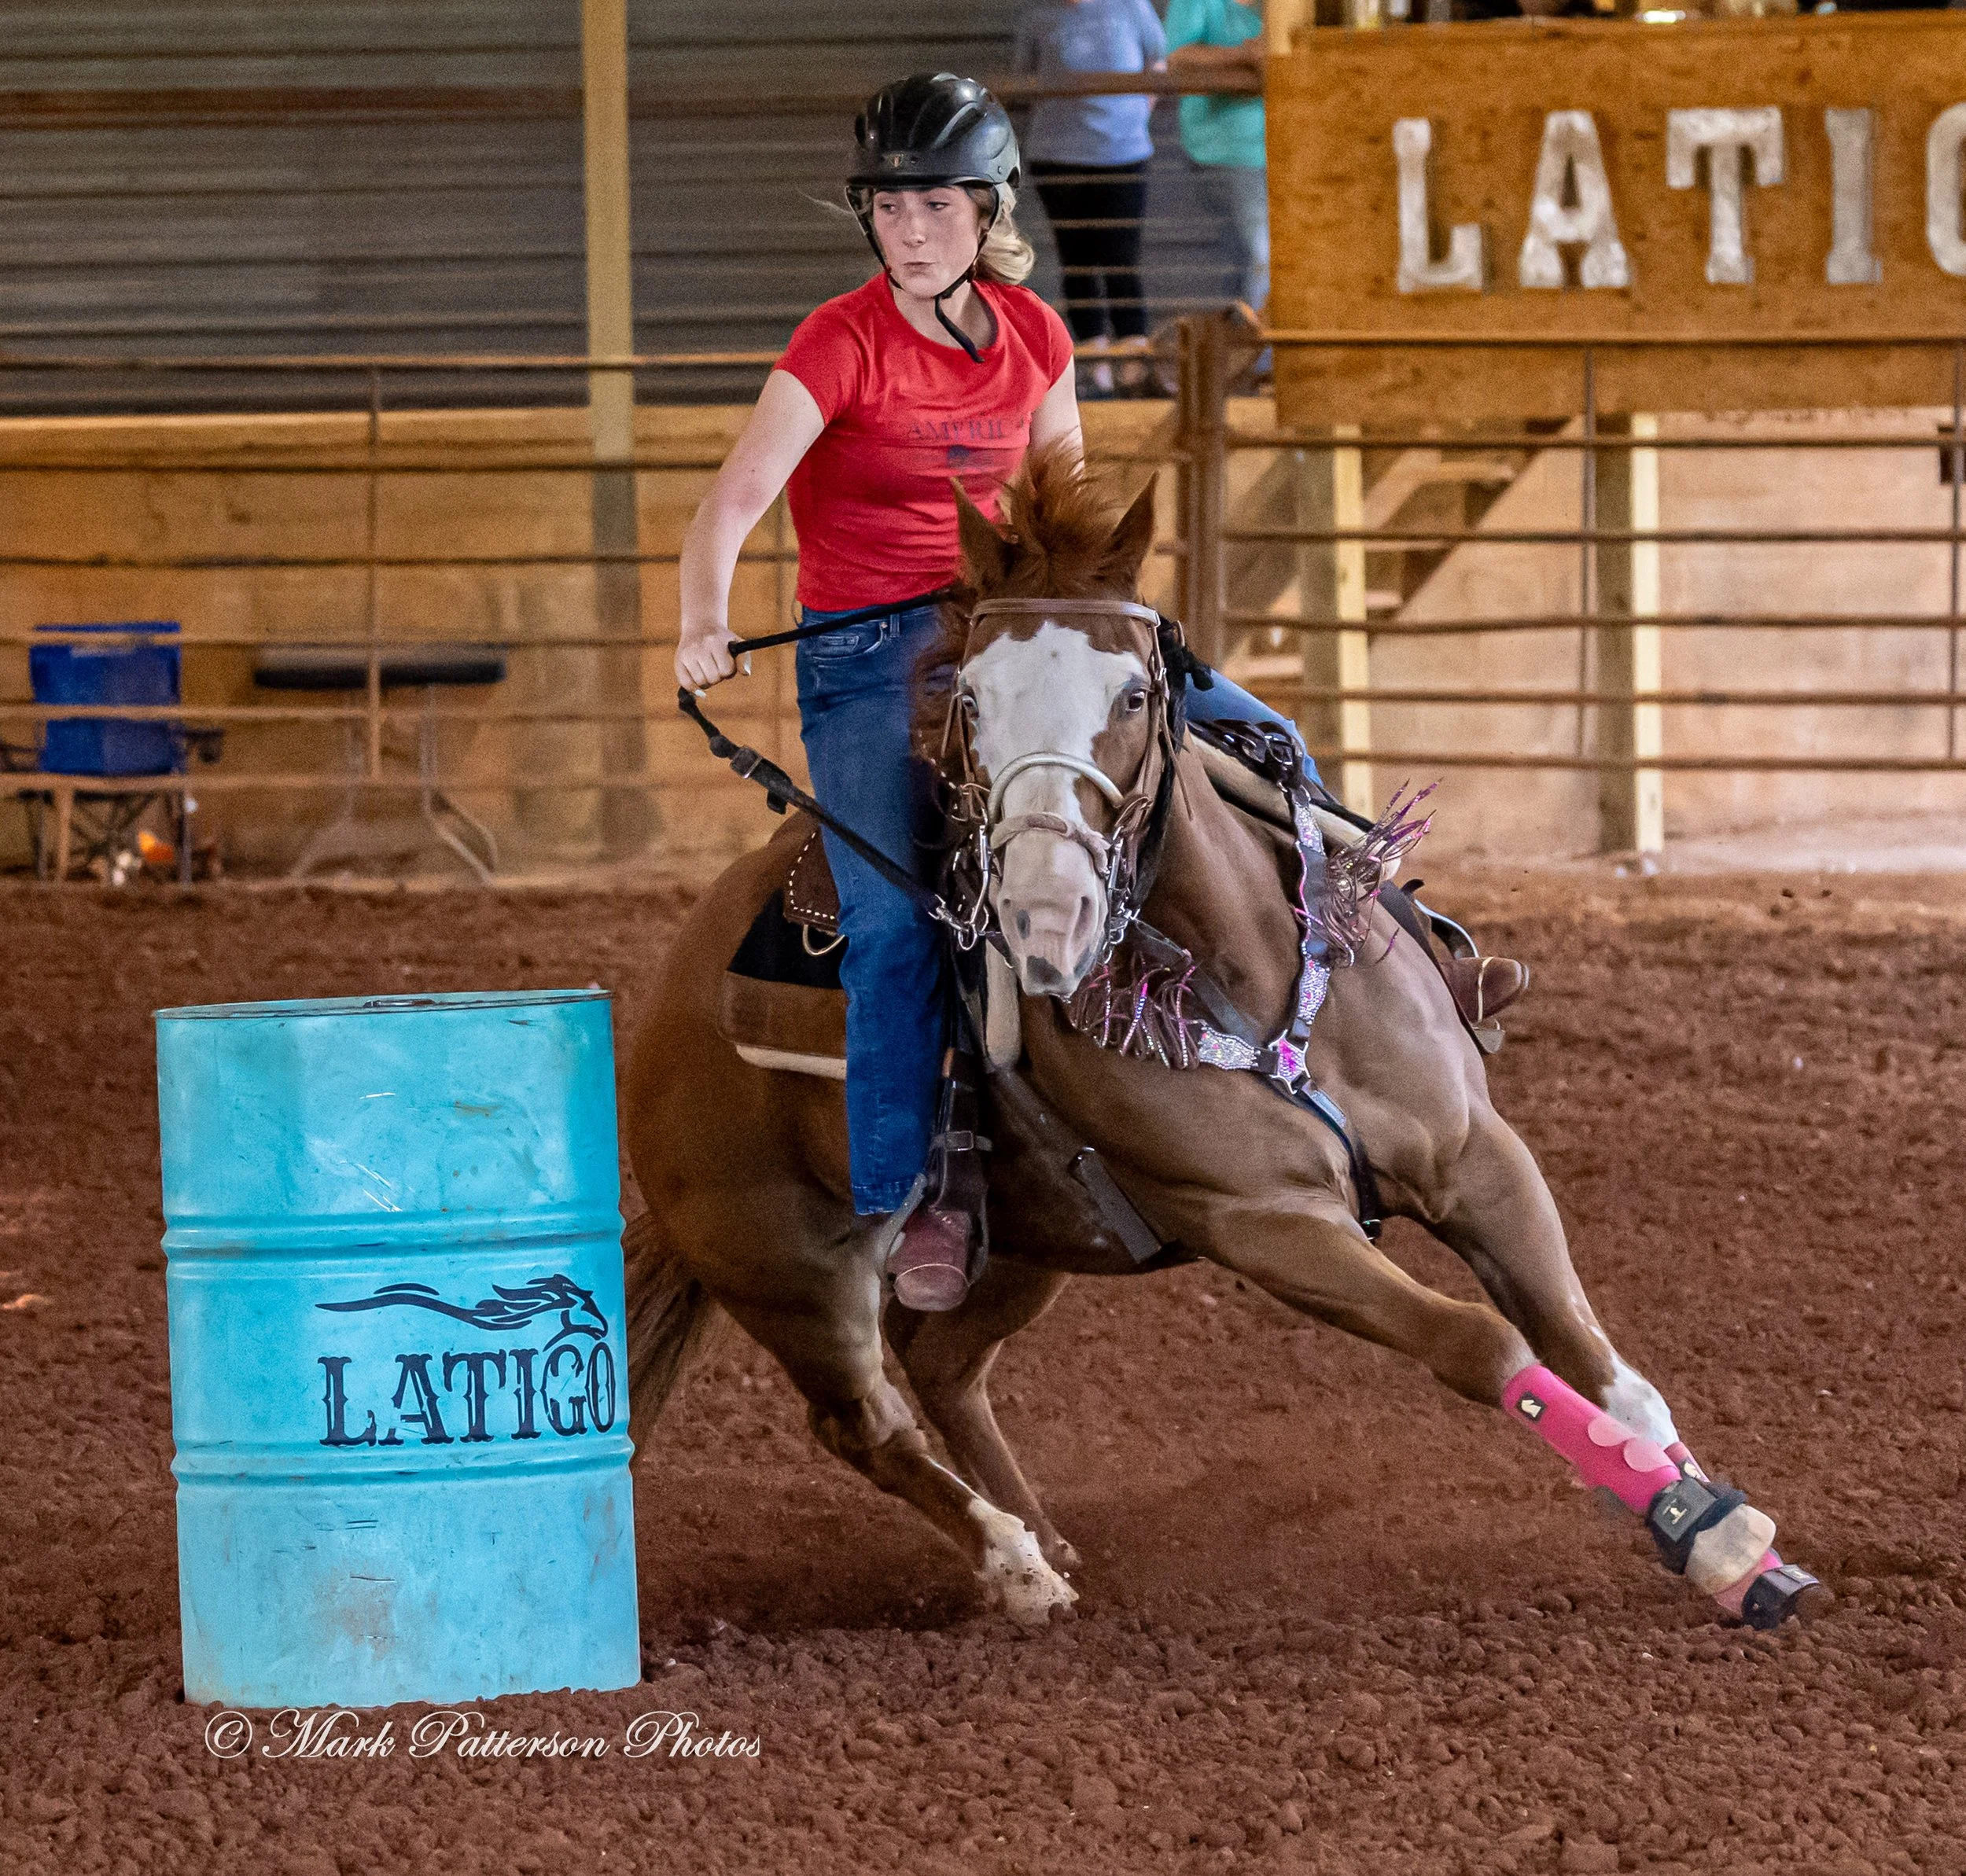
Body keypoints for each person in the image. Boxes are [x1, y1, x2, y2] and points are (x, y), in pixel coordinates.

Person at [676, 74, 1080, 1314]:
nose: (908, 229)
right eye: (889, 207)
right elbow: (735, 500)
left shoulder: (1036, 337)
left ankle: (1374, 941)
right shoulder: (838, 342)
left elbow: (1063, 501)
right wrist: (702, 618)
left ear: (989, 209)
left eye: (935, 205)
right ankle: (902, 1198)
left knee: (1221, 732)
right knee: (896, 921)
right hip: (864, 656)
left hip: (999, 630)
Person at [1011, 0, 1167, 396]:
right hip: (1058, 157)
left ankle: (1133, 365)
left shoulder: (1131, 7)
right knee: (1077, 259)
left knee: (1121, 257)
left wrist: (1134, 115)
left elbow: (1158, 64)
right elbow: (1023, 80)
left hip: (1123, 153)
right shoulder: (1038, 14)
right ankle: (1095, 368)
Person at [1164, 0, 1268, 315]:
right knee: (1260, 251)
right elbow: (1178, 57)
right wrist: (1244, 55)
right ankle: (1256, 339)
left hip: (1282, 142)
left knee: (1247, 254)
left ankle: (1241, 331)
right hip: (1226, 147)